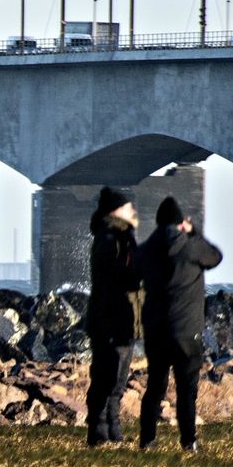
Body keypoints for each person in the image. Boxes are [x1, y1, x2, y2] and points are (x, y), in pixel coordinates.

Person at [137, 196, 223, 452]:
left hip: (155, 330)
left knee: (155, 386)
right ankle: (188, 441)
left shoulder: (146, 250)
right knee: (187, 389)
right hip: (186, 330)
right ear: (180, 223)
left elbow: (134, 271)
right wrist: (194, 232)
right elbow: (215, 257)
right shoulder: (191, 247)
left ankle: (147, 440)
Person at [84, 187, 143, 447]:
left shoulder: (122, 236)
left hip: (124, 318)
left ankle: (113, 430)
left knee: (118, 380)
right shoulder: (109, 237)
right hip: (110, 318)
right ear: (116, 210)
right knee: (106, 378)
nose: (133, 212)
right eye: (128, 207)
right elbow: (116, 273)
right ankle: (99, 431)